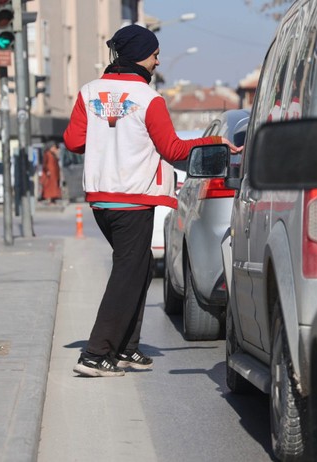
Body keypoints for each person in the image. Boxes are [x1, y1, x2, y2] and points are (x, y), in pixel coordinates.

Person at [63, 24, 241, 378]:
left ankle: (126, 348)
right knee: (128, 274)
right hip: (132, 198)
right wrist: (216, 143)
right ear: (140, 54)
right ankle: (96, 353)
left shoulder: (89, 92)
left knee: (140, 269)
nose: (158, 61)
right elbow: (173, 149)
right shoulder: (148, 98)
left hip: (102, 200)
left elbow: (72, 140)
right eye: (155, 53)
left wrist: (105, 142)